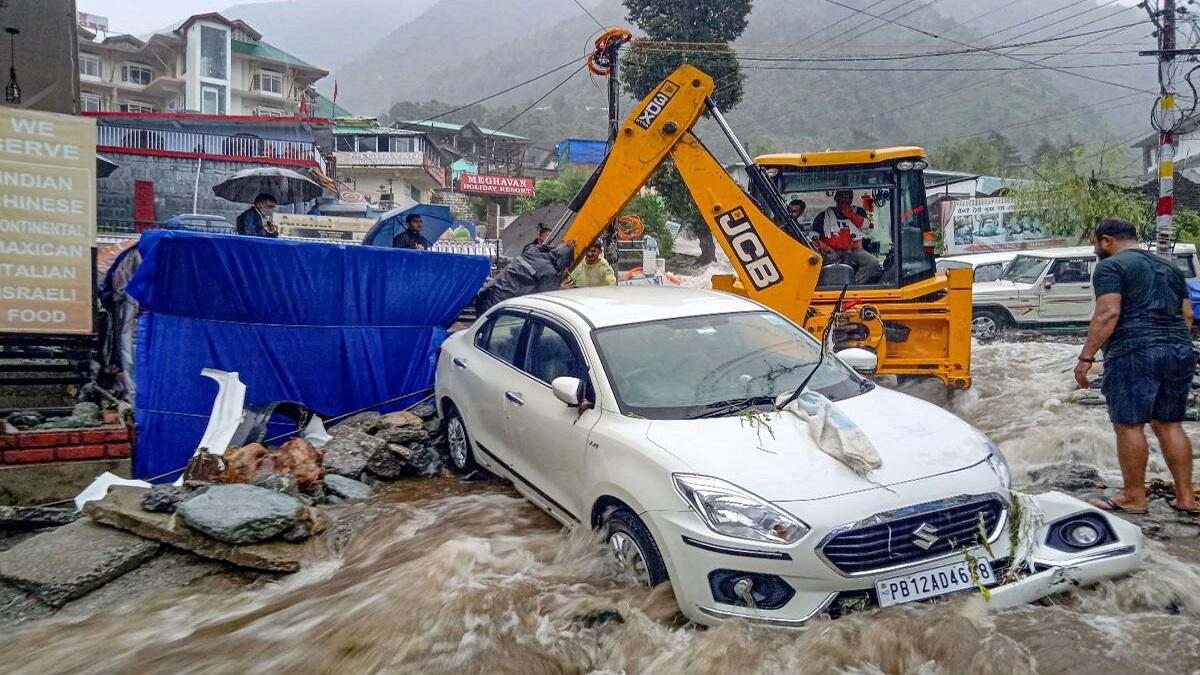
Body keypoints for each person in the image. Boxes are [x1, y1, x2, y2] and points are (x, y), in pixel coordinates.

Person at [1073, 218, 1197, 515]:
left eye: (1095, 242)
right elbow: (1188, 314)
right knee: (1169, 423)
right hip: (1179, 350)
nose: (1096, 248)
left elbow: (1108, 313)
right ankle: (1186, 498)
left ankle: (1134, 497)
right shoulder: (1169, 268)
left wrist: (1086, 358)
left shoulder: (1111, 267)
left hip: (1134, 351)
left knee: (1129, 424)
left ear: (1106, 240)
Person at [810, 189, 881, 284]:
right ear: (836, 198)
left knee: (873, 262)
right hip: (830, 252)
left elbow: (867, 225)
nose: (846, 199)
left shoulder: (858, 212)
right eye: (843, 196)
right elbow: (813, 237)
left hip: (854, 251)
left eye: (848, 197)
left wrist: (848, 213)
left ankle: (853, 285)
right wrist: (826, 249)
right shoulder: (823, 216)